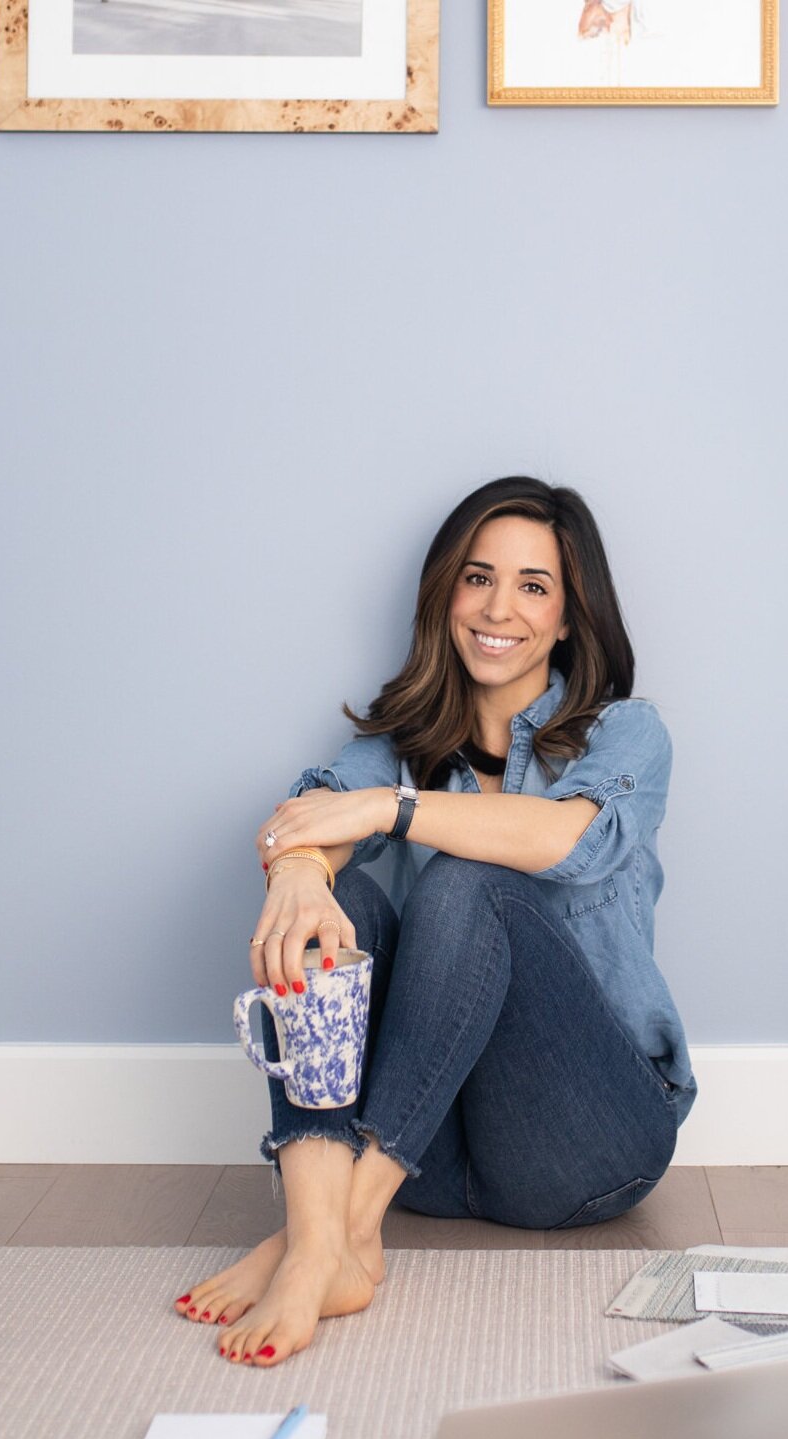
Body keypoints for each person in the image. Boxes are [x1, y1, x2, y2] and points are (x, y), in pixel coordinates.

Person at [176, 476, 696, 1366]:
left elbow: (566, 838)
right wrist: (301, 874)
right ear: (444, 594)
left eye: (534, 587)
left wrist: (391, 811)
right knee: (342, 905)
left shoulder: (624, 733)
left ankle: (327, 1236)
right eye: (477, 577)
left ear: (570, 618)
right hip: (432, 1159)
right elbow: (306, 813)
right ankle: (328, 1239)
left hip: (588, 1143)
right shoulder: (403, 741)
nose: (500, 608)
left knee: (465, 883)